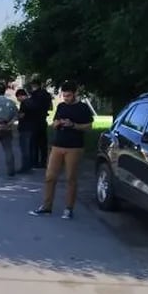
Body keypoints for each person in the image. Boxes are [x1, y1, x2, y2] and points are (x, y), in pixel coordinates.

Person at [29, 81, 94, 219]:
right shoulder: (61, 106)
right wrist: (57, 124)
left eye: (69, 96)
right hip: (58, 145)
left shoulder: (82, 108)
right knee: (50, 177)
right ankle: (46, 206)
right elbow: (54, 123)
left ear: (75, 94)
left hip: (74, 147)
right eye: (64, 96)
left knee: (71, 178)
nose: (66, 98)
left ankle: (69, 208)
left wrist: (74, 125)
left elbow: (89, 127)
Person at [28, 79, 53, 168]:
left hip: (34, 120)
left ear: (34, 85)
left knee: (34, 142)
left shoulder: (34, 95)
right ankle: (43, 161)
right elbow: (50, 107)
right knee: (43, 143)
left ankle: (34, 162)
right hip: (43, 120)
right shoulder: (47, 95)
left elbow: (31, 107)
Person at [14, 88, 33, 173]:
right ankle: (29, 166)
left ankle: (25, 168)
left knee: (24, 148)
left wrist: (16, 115)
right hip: (31, 127)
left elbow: (21, 115)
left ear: (21, 96)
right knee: (29, 148)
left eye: (18, 98)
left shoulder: (24, 104)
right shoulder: (31, 102)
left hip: (24, 128)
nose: (18, 100)